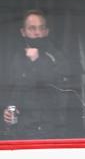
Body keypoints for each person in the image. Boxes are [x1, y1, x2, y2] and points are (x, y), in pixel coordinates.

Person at [2, 9, 80, 139]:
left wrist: (38, 61)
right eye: (32, 28)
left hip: (52, 131)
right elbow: (12, 91)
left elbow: (59, 86)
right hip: (23, 132)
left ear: (46, 31)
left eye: (41, 28)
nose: (37, 33)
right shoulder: (16, 58)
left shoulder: (57, 55)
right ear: (23, 32)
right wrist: (8, 111)